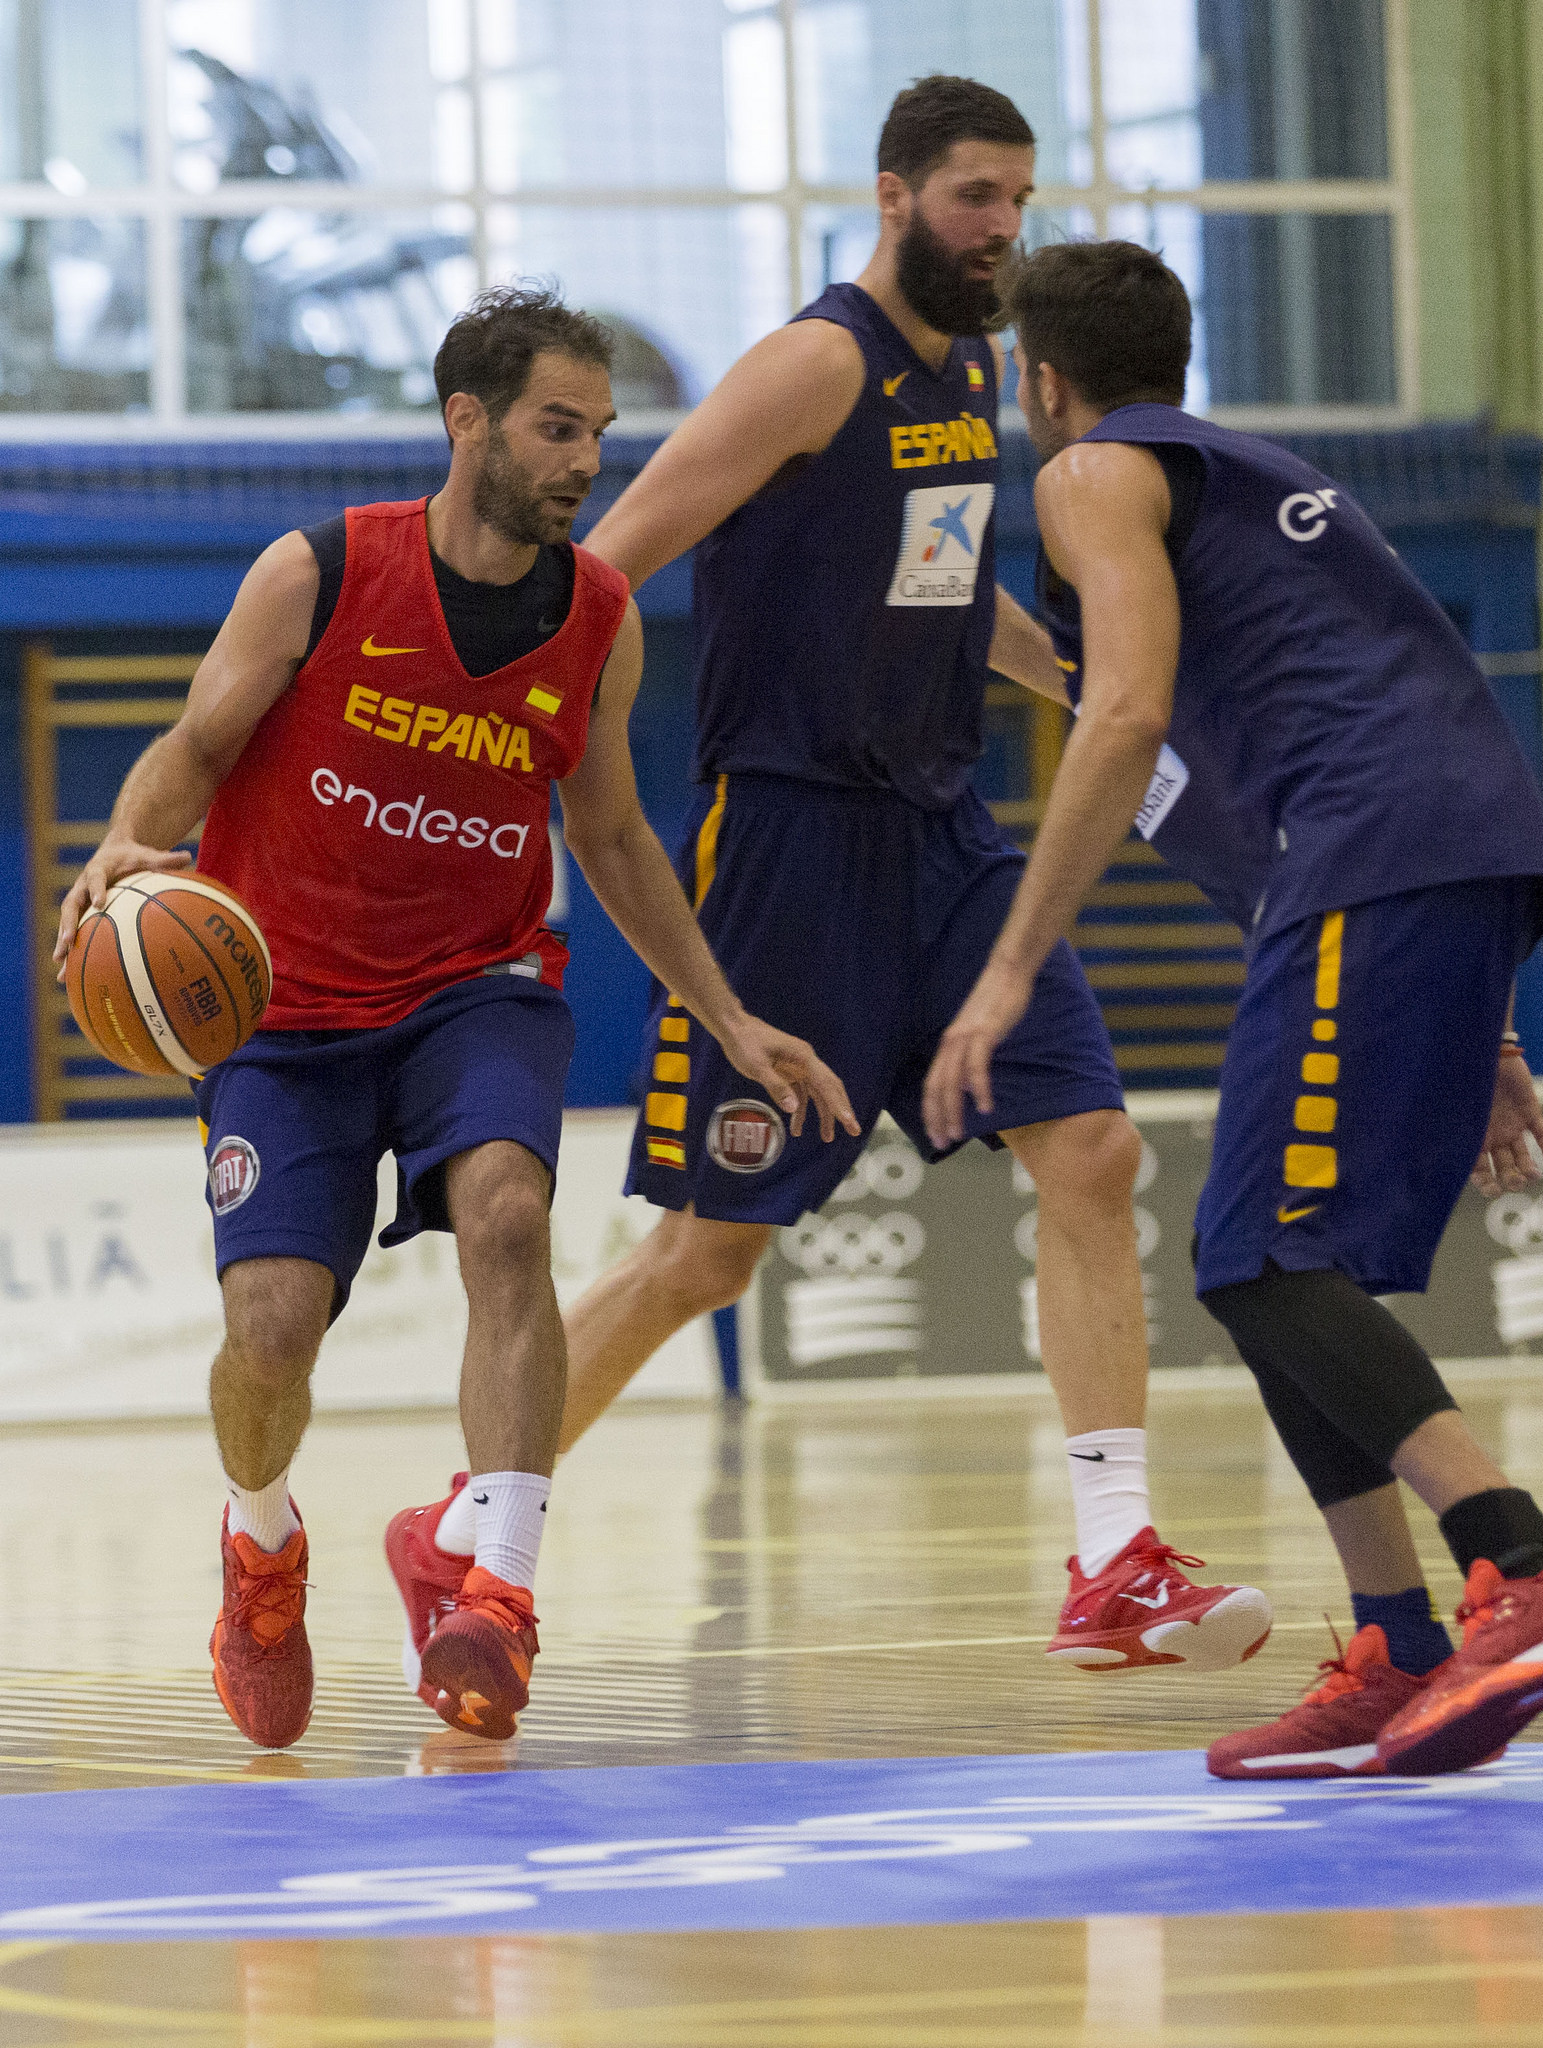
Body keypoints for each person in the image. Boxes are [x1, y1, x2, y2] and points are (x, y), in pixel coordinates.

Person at [404, 76, 1273, 1681]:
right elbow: (616, 555)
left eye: (1018, 198)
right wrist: (496, 720)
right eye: (971, 197)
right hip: (788, 846)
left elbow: (951, 591)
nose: (1002, 228)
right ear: (893, 198)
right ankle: (465, 1525)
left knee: (1086, 1152)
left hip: (941, 835)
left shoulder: (972, 385)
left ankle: (1115, 1558)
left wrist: (1077, 683)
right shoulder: (817, 364)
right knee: (703, 1259)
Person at [54, 286, 854, 1751]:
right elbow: (194, 749)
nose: (584, 463)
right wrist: (123, 847)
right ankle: (261, 1545)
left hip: (474, 988)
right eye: (559, 428)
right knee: (272, 1334)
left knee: (505, 1216)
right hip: (282, 1008)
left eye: (601, 436)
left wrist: (727, 1014)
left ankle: (501, 1587)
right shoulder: (320, 569)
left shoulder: (598, 618)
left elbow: (611, 838)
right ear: (466, 419)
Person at [922, 239, 1543, 1779]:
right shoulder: (1255, 484)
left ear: (1041, 384)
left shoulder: (1088, 474)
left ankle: (1530, 1567)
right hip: (1448, 860)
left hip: (1369, 864)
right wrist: (1495, 1026)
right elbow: (1204, 711)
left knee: (1260, 1261)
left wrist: (1006, 966)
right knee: (1269, 1259)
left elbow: (1124, 715)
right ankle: (1398, 1642)